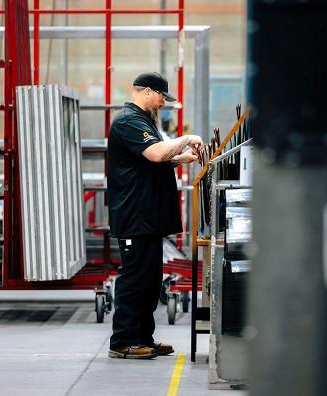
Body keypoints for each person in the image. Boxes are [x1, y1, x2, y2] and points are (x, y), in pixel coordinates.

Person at [107, 72, 203, 359]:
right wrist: (185, 140)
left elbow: (148, 161)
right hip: (134, 216)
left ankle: (143, 337)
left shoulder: (144, 120)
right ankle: (123, 341)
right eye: (162, 96)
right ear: (147, 91)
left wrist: (178, 158)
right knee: (135, 279)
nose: (163, 103)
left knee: (150, 280)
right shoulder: (129, 121)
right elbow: (155, 154)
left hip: (147, 217)